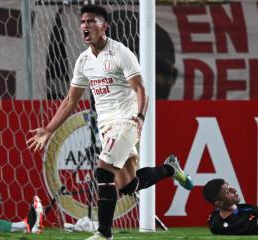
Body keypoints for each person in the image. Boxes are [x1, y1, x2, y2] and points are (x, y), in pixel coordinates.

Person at [27, 5, 193, 240]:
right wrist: (48, 129)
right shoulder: (84, 61)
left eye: (91, 21)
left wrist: (140, 118)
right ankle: (170, 168)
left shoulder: (120, 53)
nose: (85, 25)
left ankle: (104, 233)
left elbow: (140, 89)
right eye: (83, 21)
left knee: (104, 170)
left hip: (126, 121)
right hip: (106, 126)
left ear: (104, 26)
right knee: (128, 186)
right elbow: (70, 100)